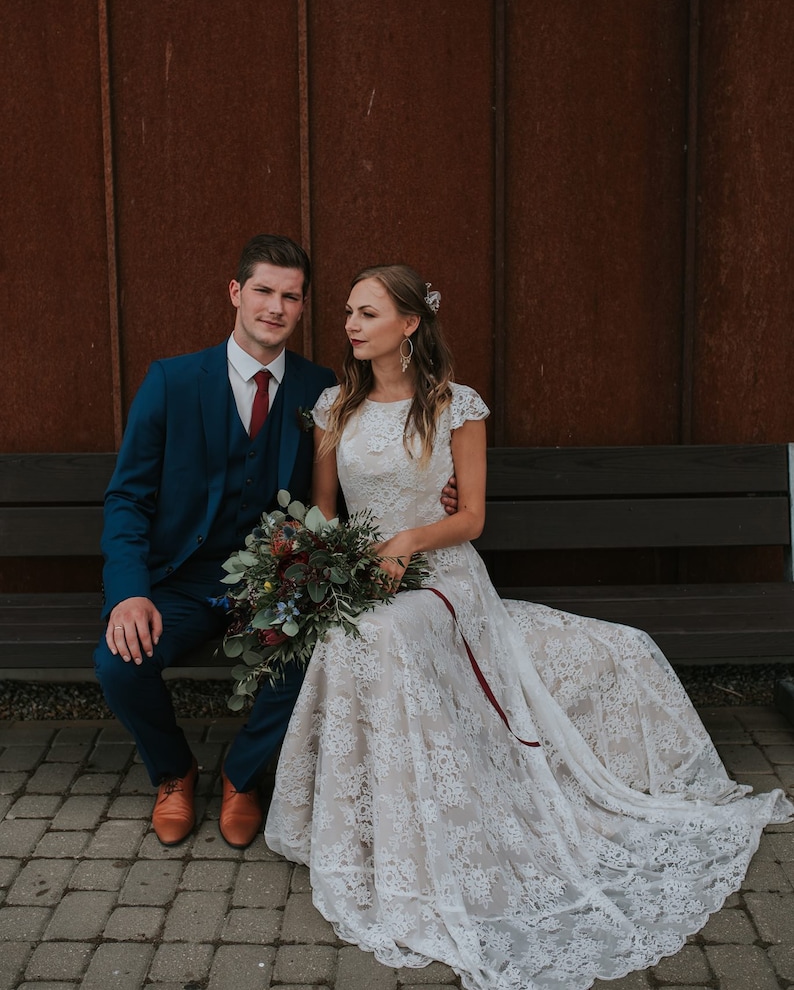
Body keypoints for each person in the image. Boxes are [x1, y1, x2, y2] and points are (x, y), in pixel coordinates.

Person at [265, 263, 793, 990]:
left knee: (406, 634)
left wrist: (408, 542)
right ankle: (372, 829)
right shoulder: (335, 406)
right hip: (365, 575)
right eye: (349, 312)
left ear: (410, 323)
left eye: (369, 312)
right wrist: (317, 565)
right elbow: (325, 507)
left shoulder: (455, 405)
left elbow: (471, 517)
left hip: (440, 575)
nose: (352, 325)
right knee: (362, 632)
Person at [94, 234, 337, 849]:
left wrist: (436, 493)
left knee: (313, 651)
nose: (275, 307)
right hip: (180, 579)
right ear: (236, 292)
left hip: (270, 583)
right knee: (118, 662)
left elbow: (353, 480)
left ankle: (241, 775)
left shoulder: (321, 388)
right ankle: (175, 772)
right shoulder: (172, 381)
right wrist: (128, 593)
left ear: (303, 307)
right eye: (263, 290)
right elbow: (128, 497)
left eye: (291, 296)